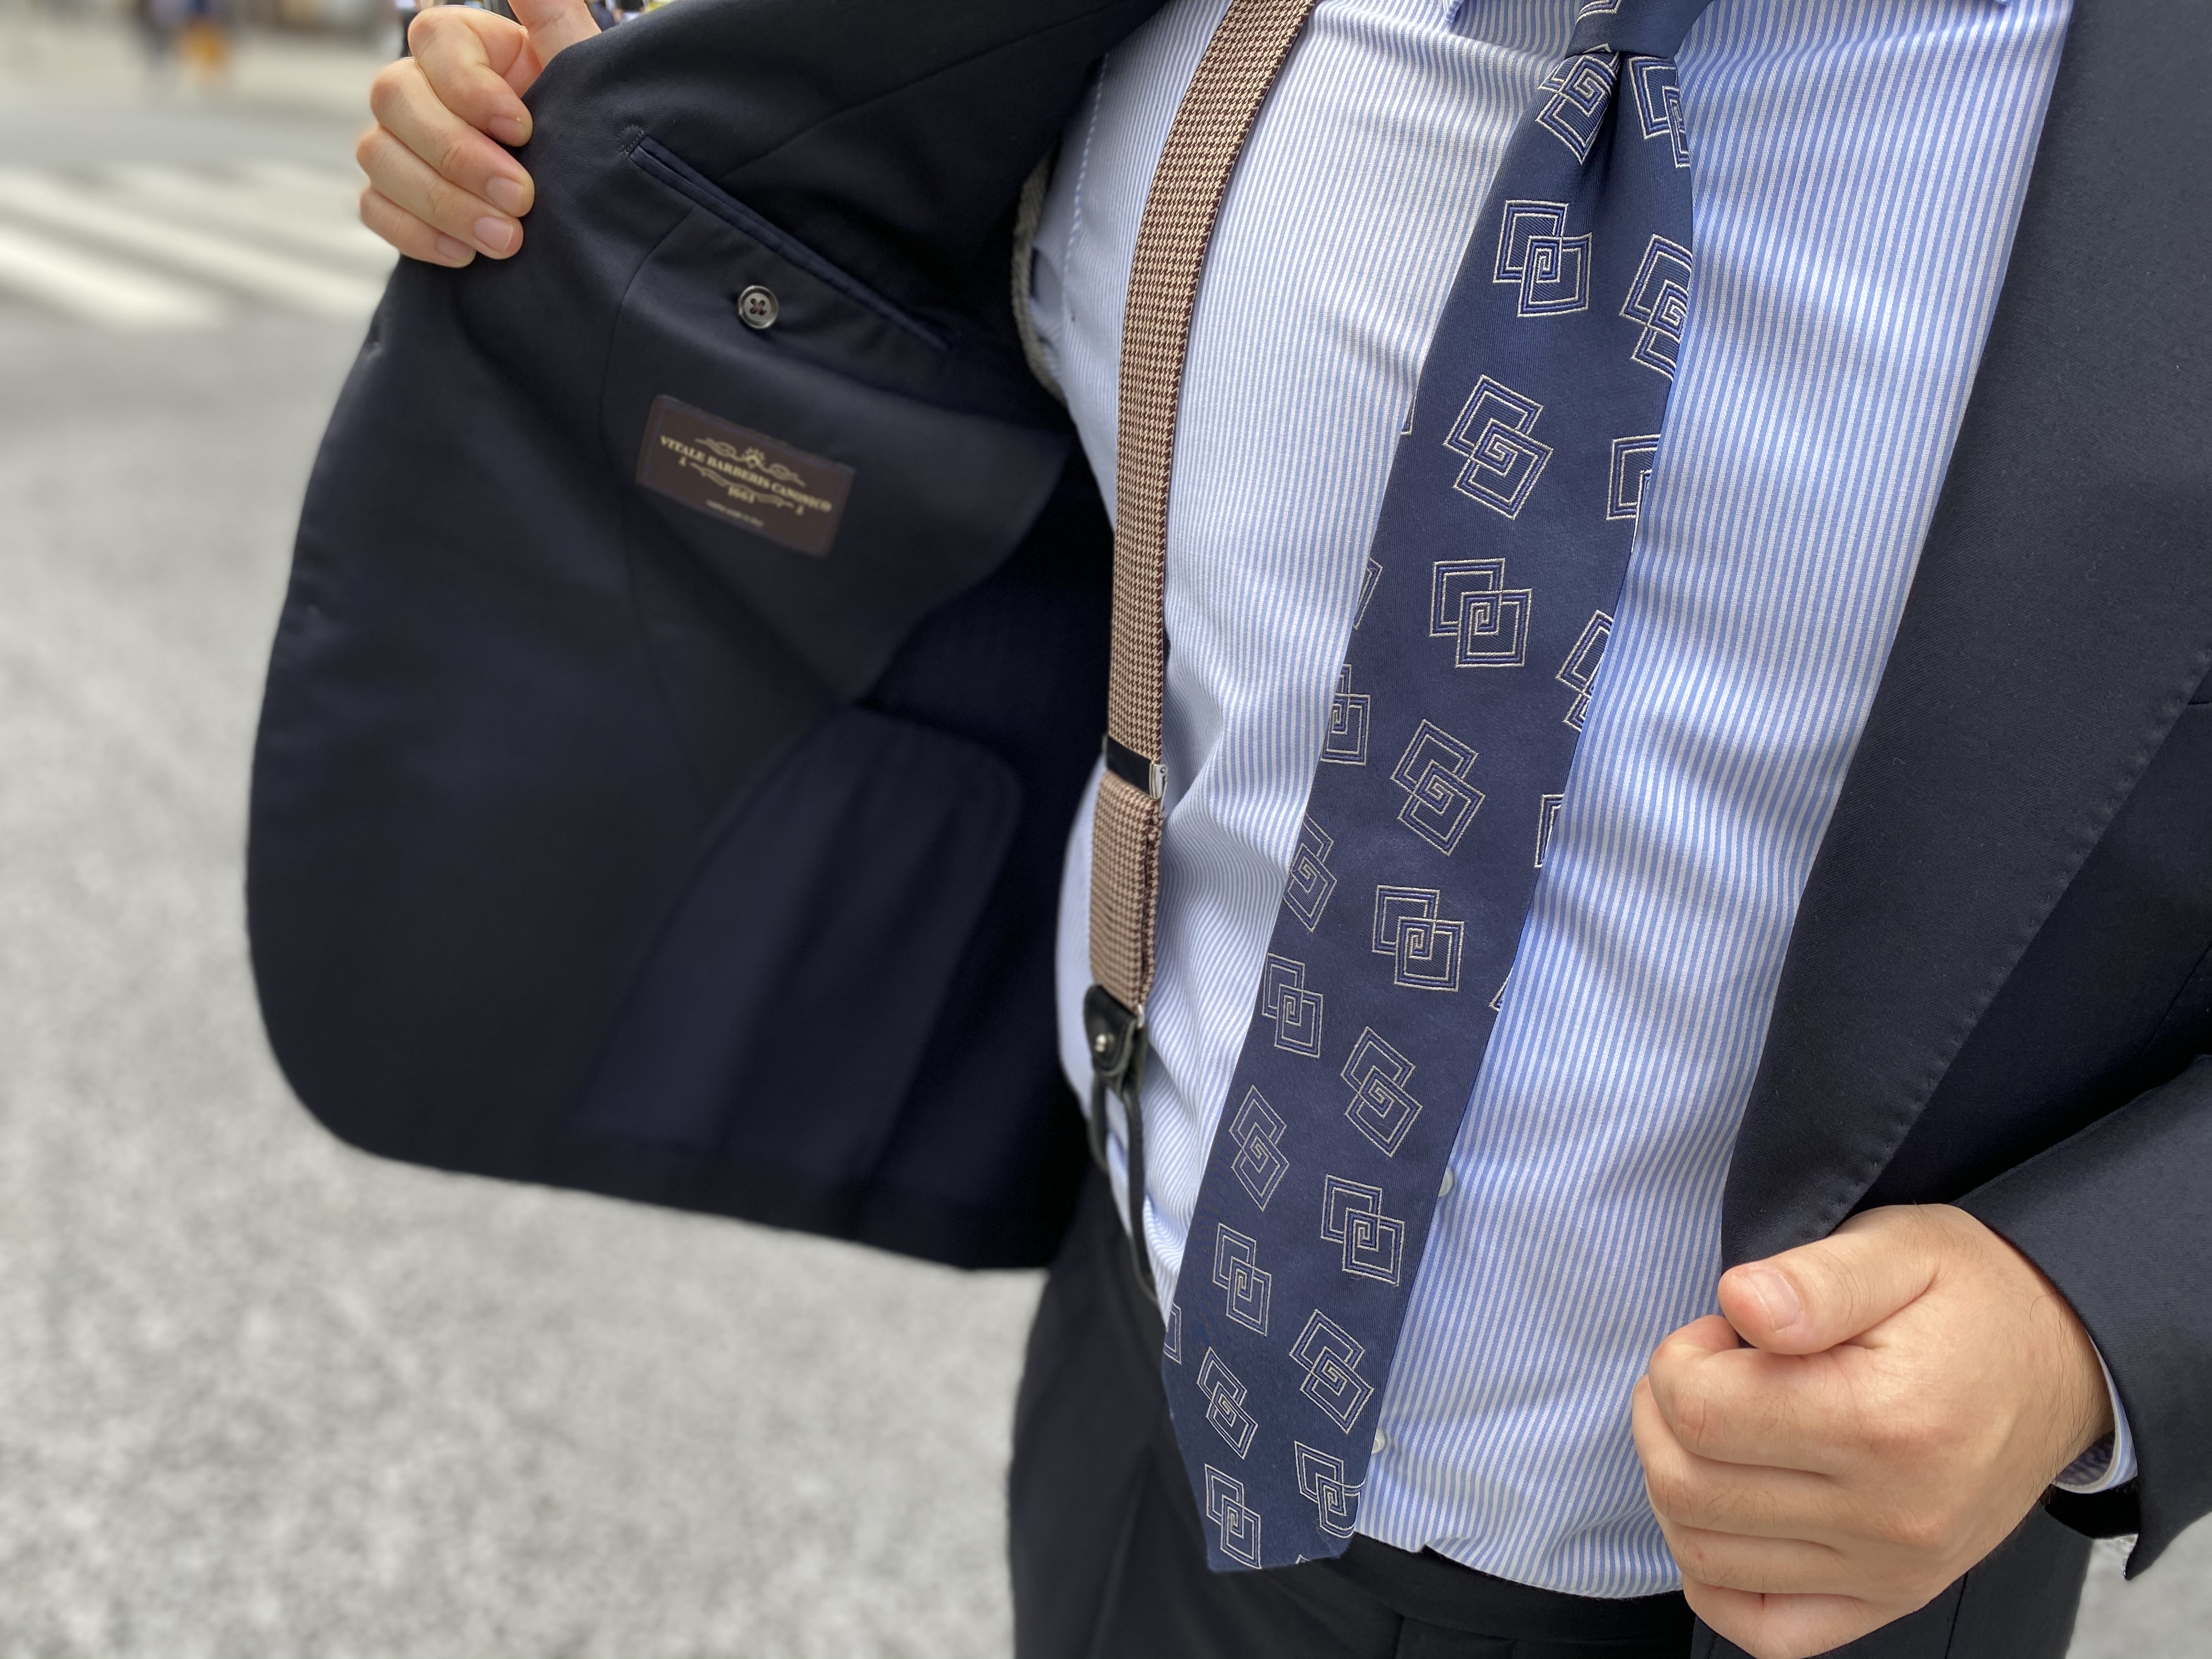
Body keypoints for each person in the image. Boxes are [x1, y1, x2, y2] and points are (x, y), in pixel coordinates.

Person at [344, 2, 2209, 1656]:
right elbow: (852, 279)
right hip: (1157, 1414)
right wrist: (574, 139)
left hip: (1823, 1584)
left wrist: (2087, 1321)